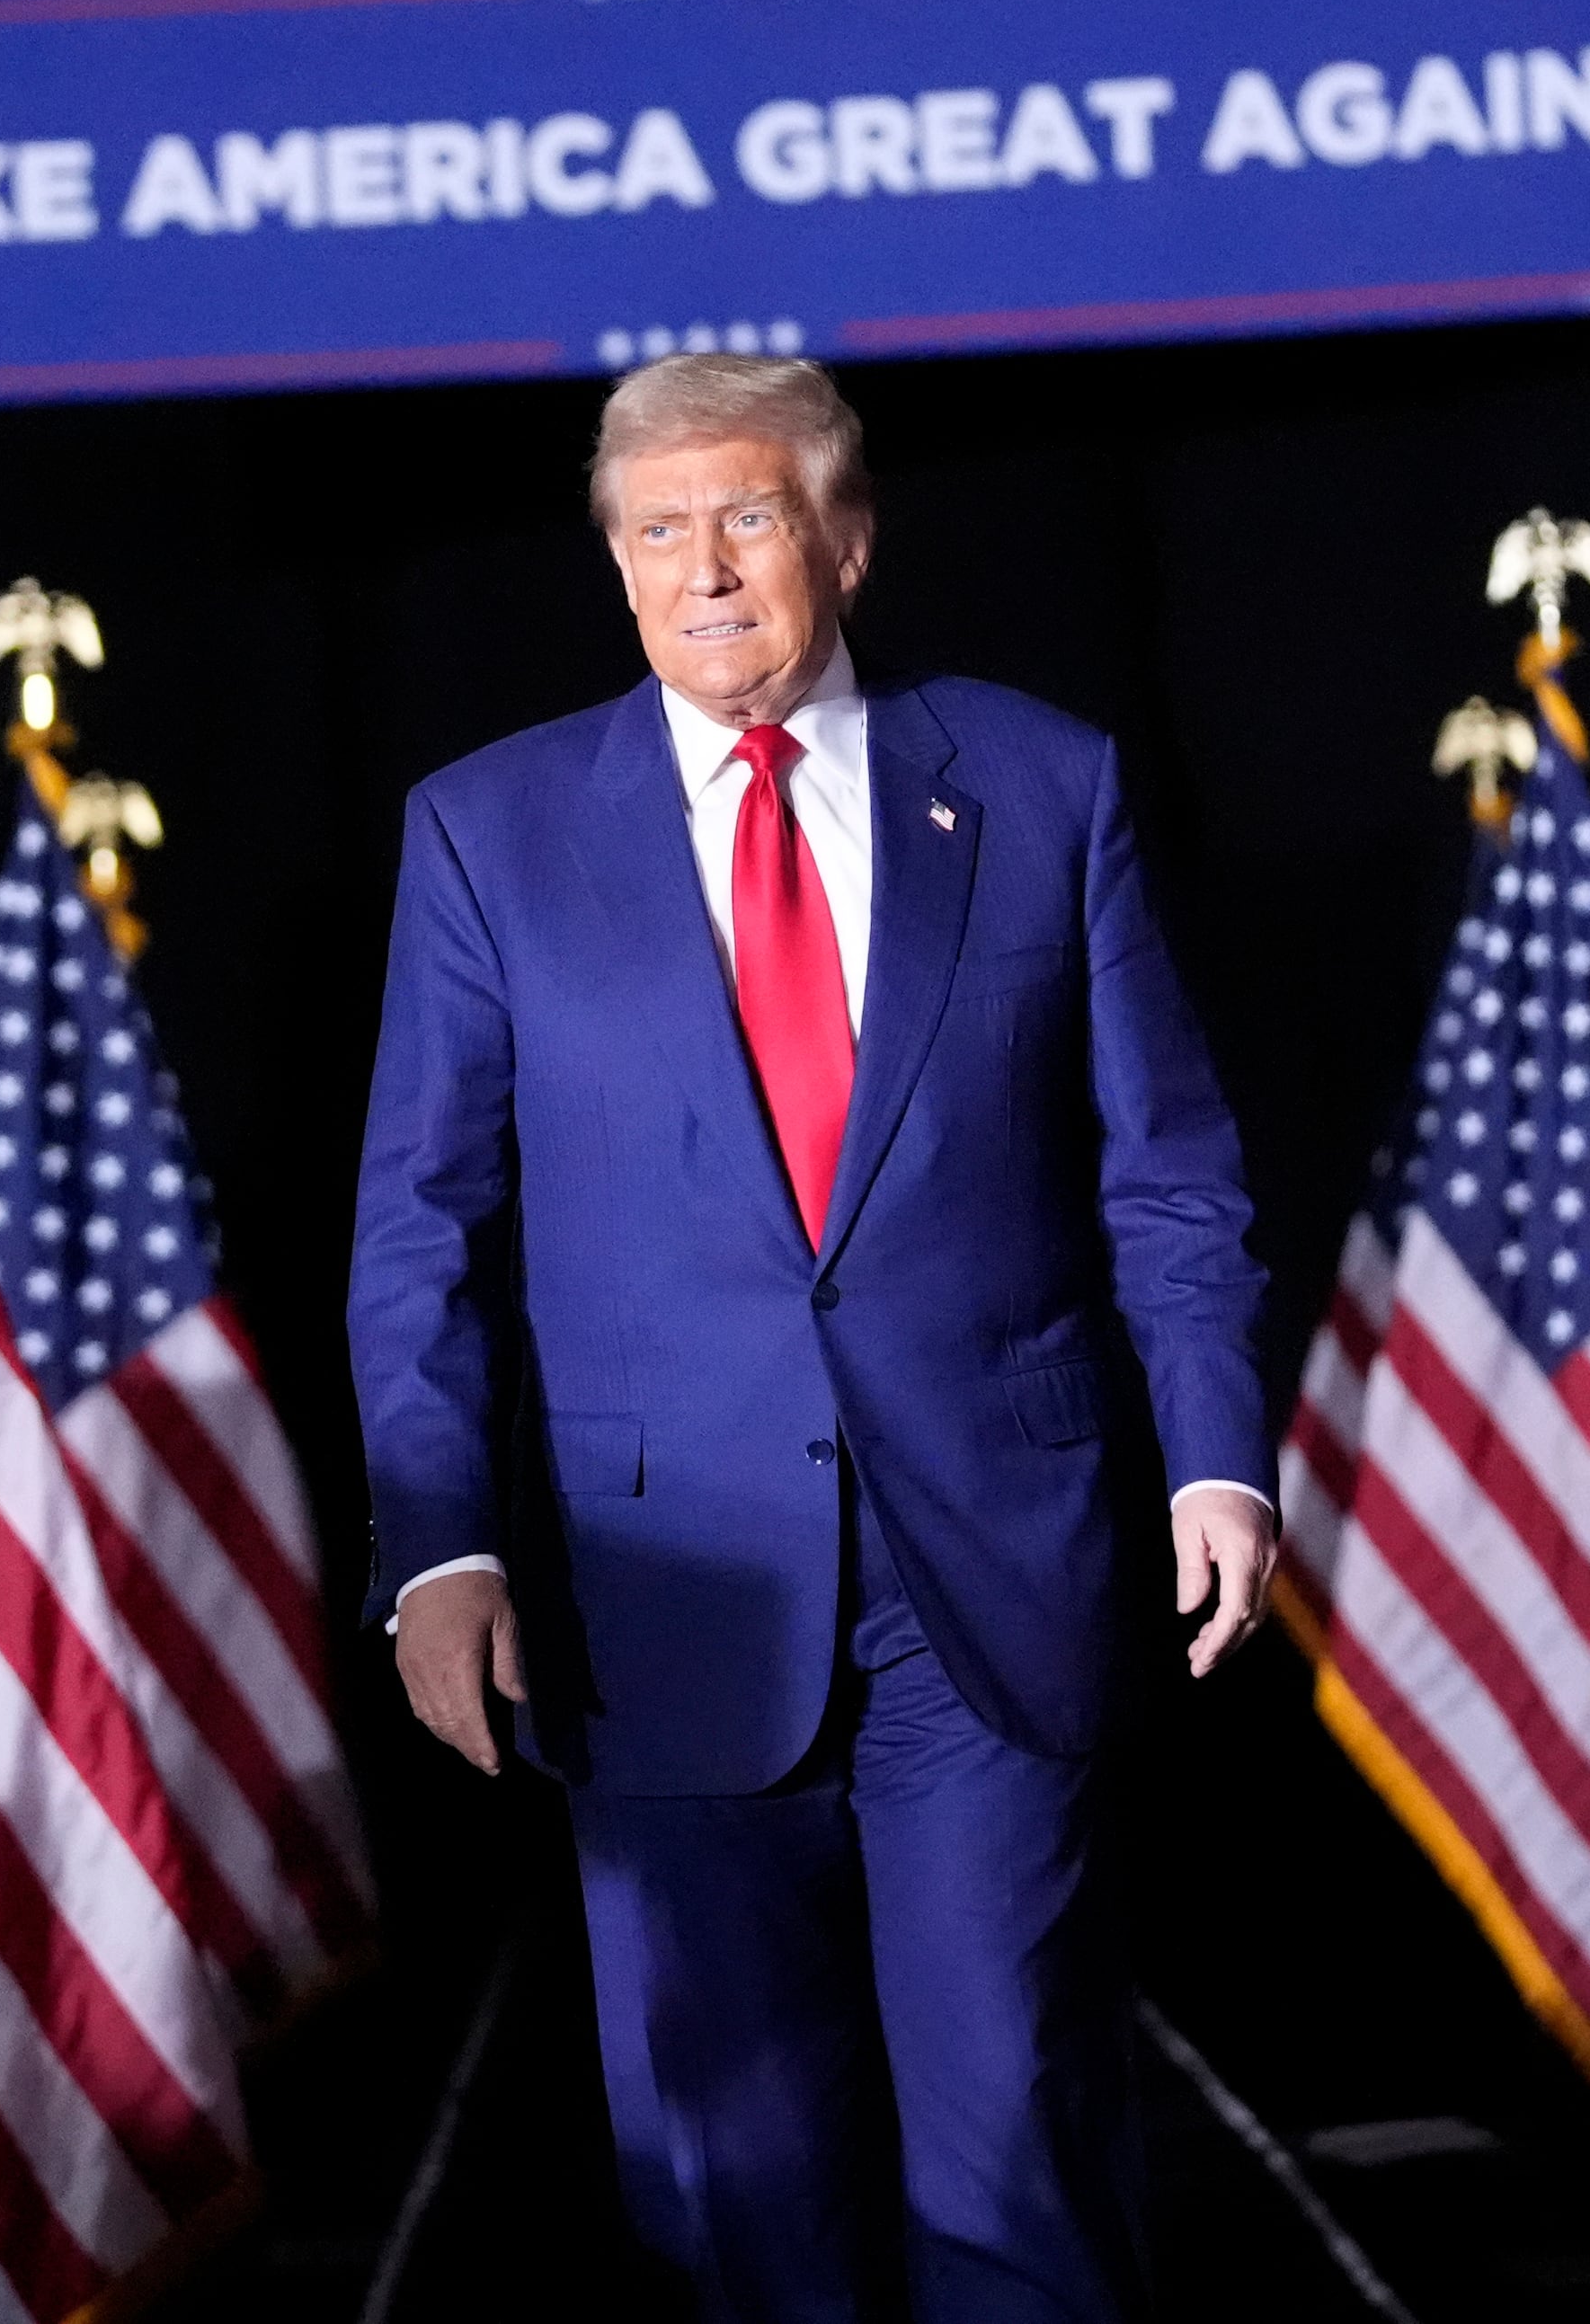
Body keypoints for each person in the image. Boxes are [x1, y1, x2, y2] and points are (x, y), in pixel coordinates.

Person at [349, 355, 1278, 2320]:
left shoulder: (1040, 783)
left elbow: (1170, 1170)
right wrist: (440, 1544)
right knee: (739, 2195)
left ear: (844, 539)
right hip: (658, 1588)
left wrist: (1213, 1448)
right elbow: (418, 1226)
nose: (703, 568)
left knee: (1013, 2152)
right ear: (613, 565)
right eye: (657, 528)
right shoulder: (487, 829)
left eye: (747, 517)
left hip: (990, 1578)